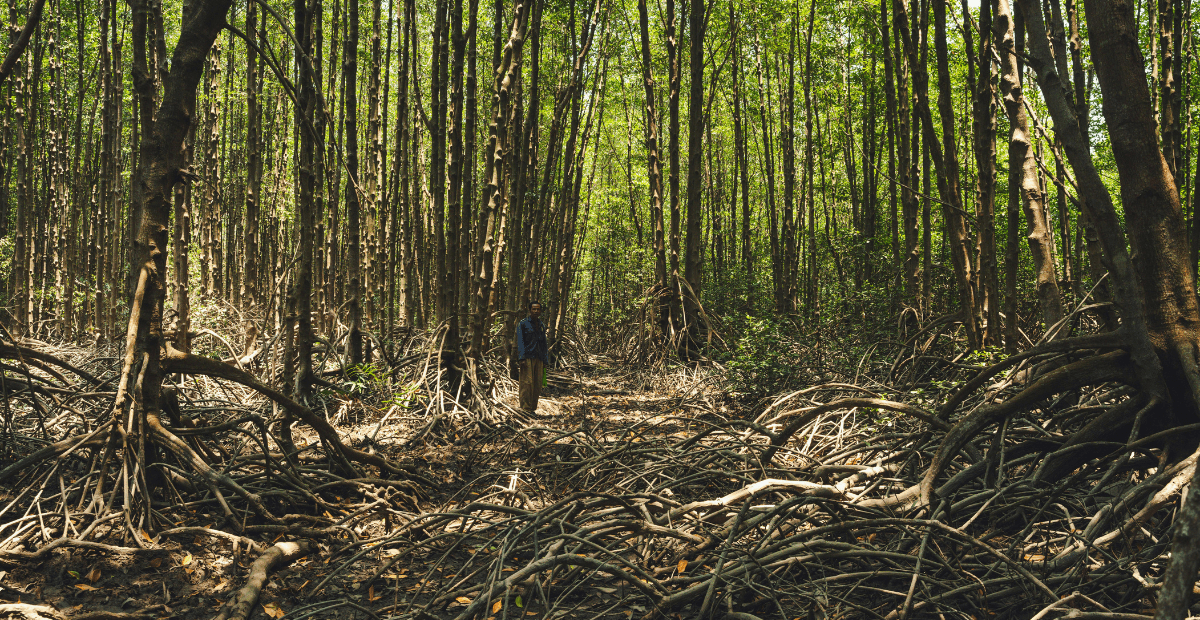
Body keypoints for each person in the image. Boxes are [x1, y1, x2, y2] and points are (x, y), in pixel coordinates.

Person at [516, 301, 548, 413]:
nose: (536, 311)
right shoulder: (523, 324)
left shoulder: (541, 325)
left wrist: (545, 360)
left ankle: (532, 408)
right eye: (534, 309)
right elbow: (520, 341)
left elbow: (544, 344)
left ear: (540, 311)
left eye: (538, 309)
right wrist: (522, 358)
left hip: (539, 358)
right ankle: (525, 408)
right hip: (527, 357)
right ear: (530, 310)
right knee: (526, 384)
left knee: (537, 384)